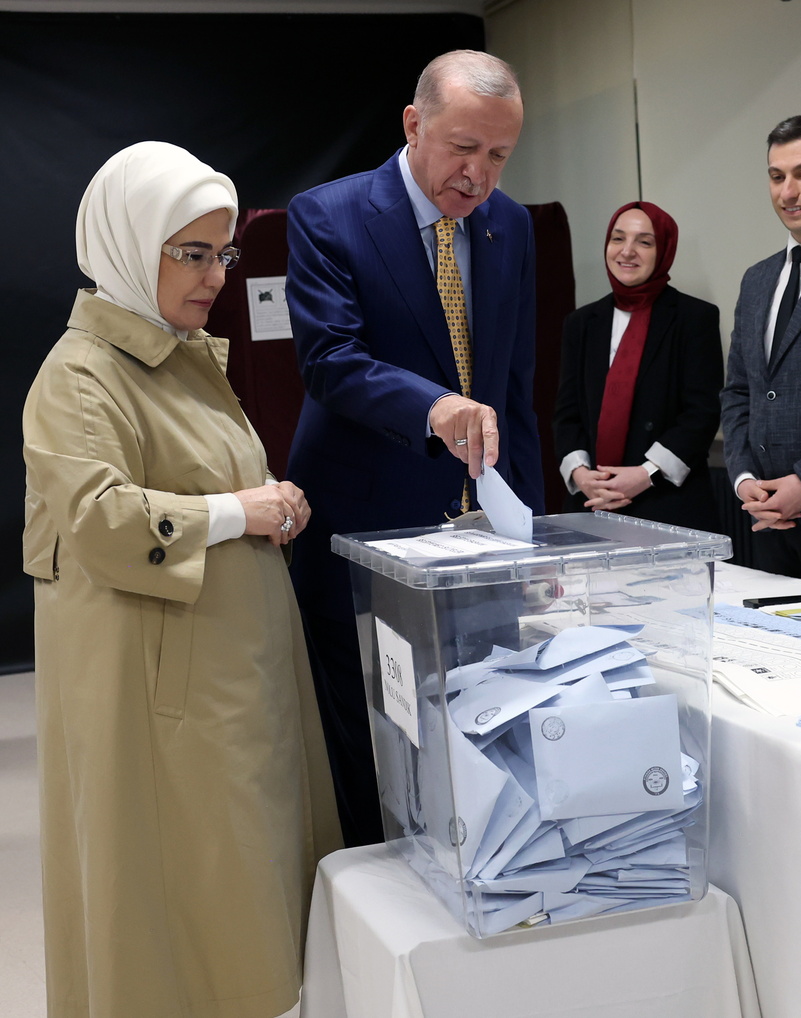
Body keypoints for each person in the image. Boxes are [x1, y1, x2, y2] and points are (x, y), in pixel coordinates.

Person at [22, 141, 341, 1018]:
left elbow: (213, 487)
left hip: (227, 677)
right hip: (163, 698)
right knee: (177, 900)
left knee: (239, 887)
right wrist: (243, 511)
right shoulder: (81, 375)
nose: (213, 276)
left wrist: (269, 501)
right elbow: (104, 522)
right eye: (192, 254)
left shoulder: (179, 353)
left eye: (223, 253)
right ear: (130, 244)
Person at [284, 49, 544, 846]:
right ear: (414, 123)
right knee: (372, 741)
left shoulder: (511, 225)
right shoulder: (327, 215)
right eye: (464, 147)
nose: (480, 175)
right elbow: (331, 360)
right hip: (365, 530)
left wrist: (535, 537)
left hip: (479, 537)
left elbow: (513, 385)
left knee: (478, 729)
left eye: (499, 155)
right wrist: (434, 406)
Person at [553, 201, 723, 532]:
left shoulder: (695, 318)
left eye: (644, 242)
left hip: (669, 504)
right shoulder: (581, 322)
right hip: (591, 505)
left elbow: (701, 414)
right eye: (618, 239)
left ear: (664, 251)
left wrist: (644, 474)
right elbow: (567, 413)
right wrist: (581, 475)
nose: (627, 251)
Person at [721, 114, 801, 581]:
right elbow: (738, 393)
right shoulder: (758, 279)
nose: (788, 192)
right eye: (777, 177)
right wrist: (745, 479)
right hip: (767, 521)